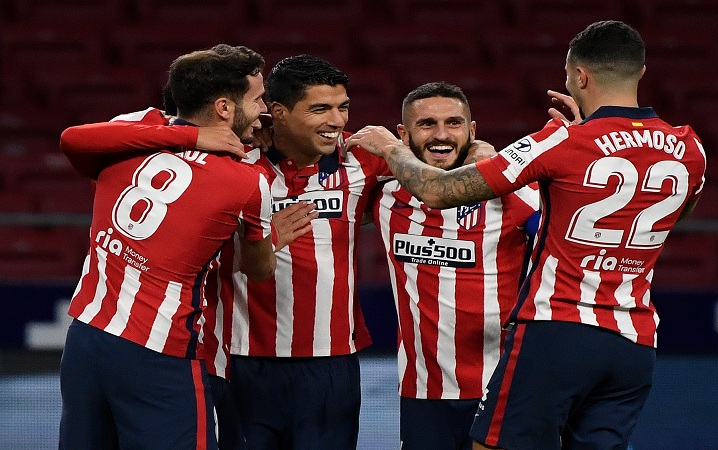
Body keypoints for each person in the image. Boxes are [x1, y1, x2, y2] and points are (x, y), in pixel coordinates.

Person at [347, 20, 707, 450]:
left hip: (553, 334)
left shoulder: (559, 147)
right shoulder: (691, 147)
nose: (441, 134)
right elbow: (677, 212)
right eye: (427, 124)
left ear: (579, 76)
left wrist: (390, 148)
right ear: (641, 72)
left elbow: (439, 191)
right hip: (634, 339)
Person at [58, 44, 276, 450]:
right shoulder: (249, 180)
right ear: (224, 108)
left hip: (86, 337)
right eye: (258, 99)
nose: (264, 110)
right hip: (159, 352)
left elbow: (72, 139)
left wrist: (189, 135)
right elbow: (259, 269)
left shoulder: (134, 127)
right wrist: (273, 234)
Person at [226, 54, 392, 449]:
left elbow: (450, 166)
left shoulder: (363, 162)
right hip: (242, 359)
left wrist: (399, 149)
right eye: (320, 109)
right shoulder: (233, 162)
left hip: (331, 366)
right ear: (278, 113)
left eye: (342, 107)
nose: (337, 121)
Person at [370, 81, 540, 450]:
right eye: (426, 124)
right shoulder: (384, 195)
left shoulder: (511, 193)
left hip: (502, 388)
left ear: (472, 131)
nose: (442, 135)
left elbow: (561, 245)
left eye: (454, 123)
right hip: (423, 393)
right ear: (403, 134)